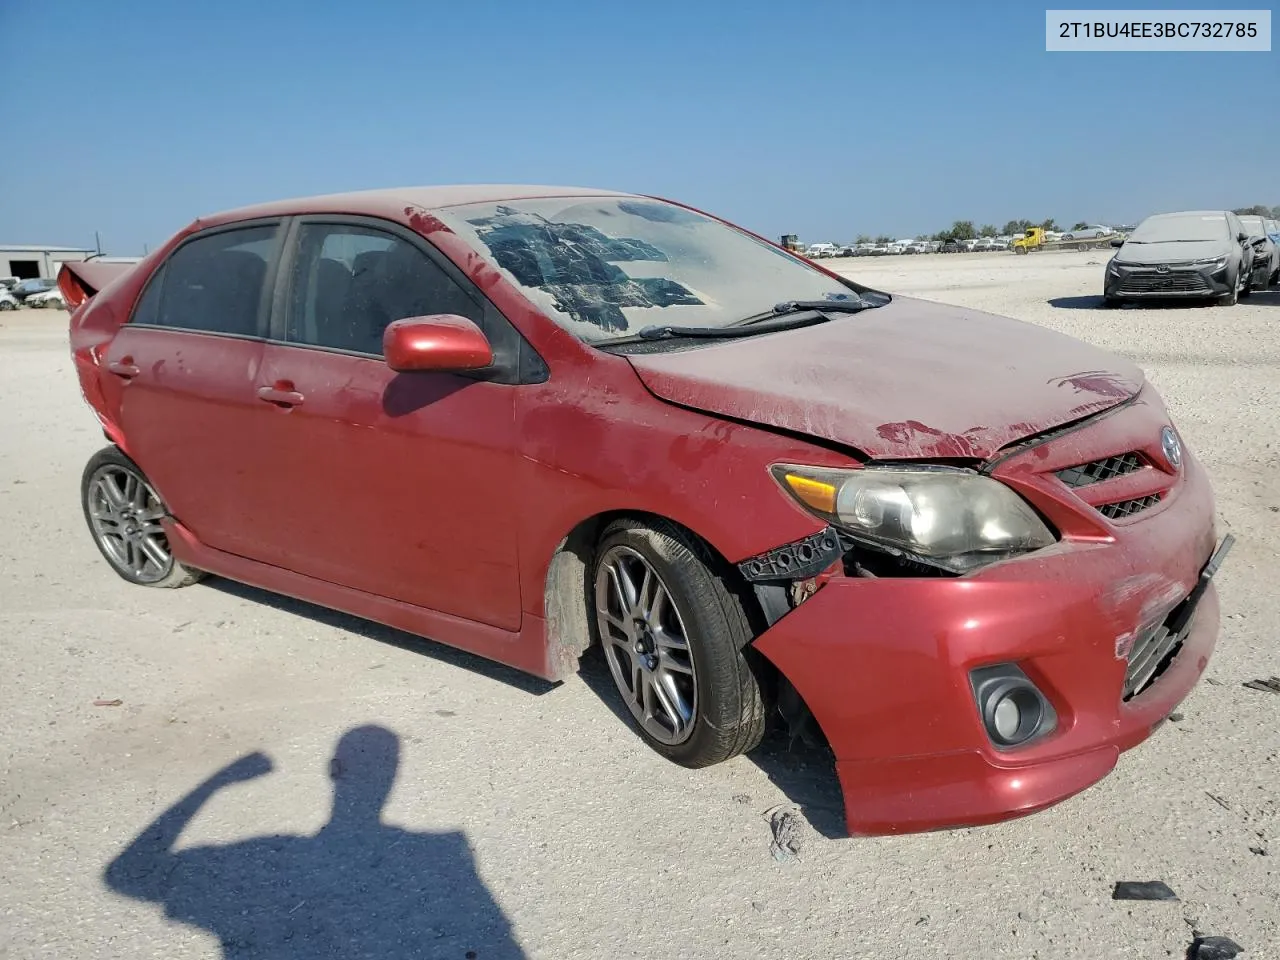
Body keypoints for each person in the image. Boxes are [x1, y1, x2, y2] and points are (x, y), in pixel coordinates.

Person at [105, 725, 523, 959]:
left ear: (331, 773)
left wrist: (216, 783)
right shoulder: (443, 853)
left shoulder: (273, 854)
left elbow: (125, 876)